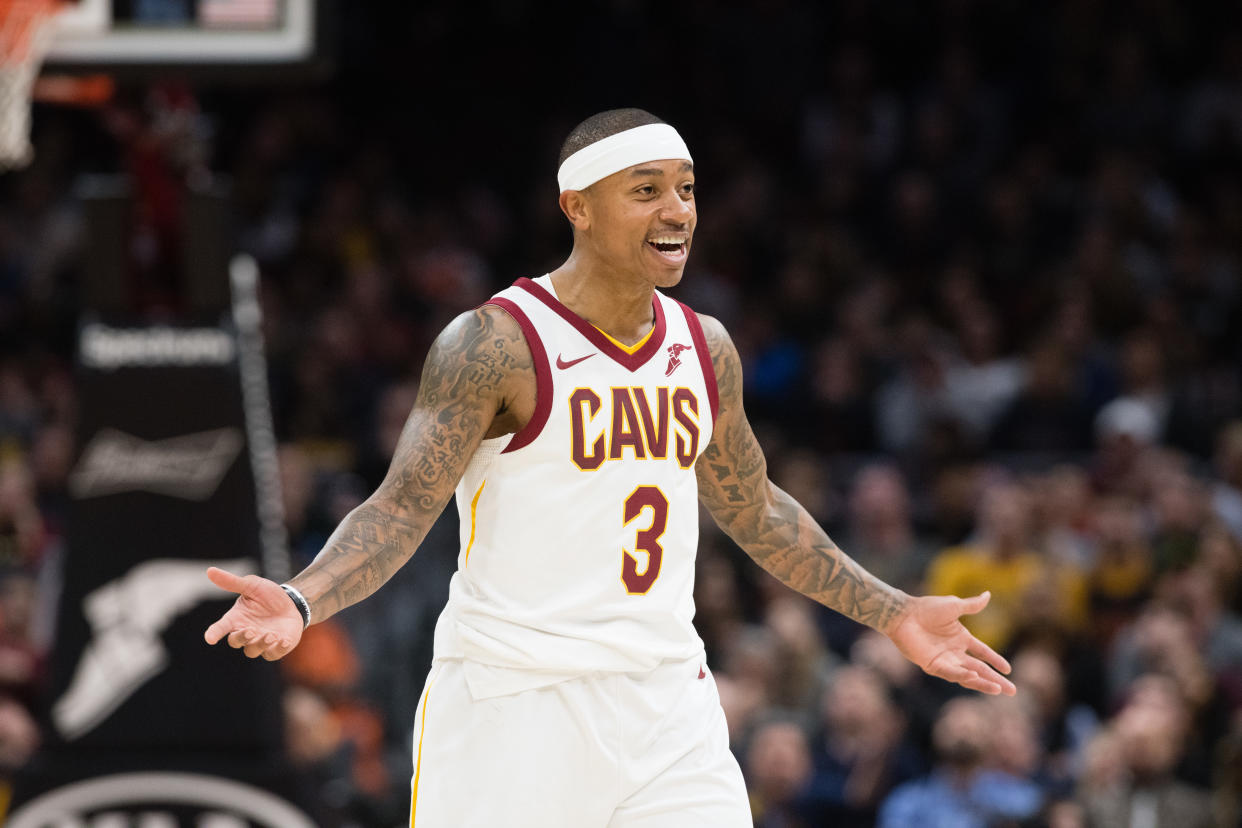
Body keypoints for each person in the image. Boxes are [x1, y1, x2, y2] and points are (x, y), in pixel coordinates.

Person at [203, 108, 1015, 827]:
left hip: (666, 699)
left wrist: (893, 611)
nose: (678, 212)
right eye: (648, 189)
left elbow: (755, 508)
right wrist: (306, 596)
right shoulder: (496, 344)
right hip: (515, 703)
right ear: (578, 207)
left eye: (688, 189)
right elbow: (401, 507)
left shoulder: (706, 347)